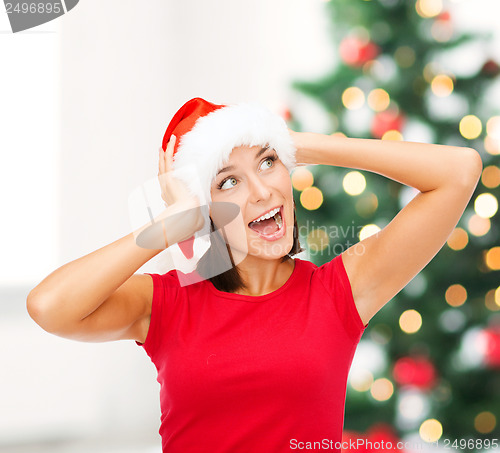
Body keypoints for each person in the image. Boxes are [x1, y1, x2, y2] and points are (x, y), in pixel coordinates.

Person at [26, 97, 482, 452]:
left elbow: (460, 171)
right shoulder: (165, 305)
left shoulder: (339, 291)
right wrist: (168, 226)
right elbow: (49, 306)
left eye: (269, 163)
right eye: (229, 181)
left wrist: (297, 144)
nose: (263, 190)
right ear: (205, 210)